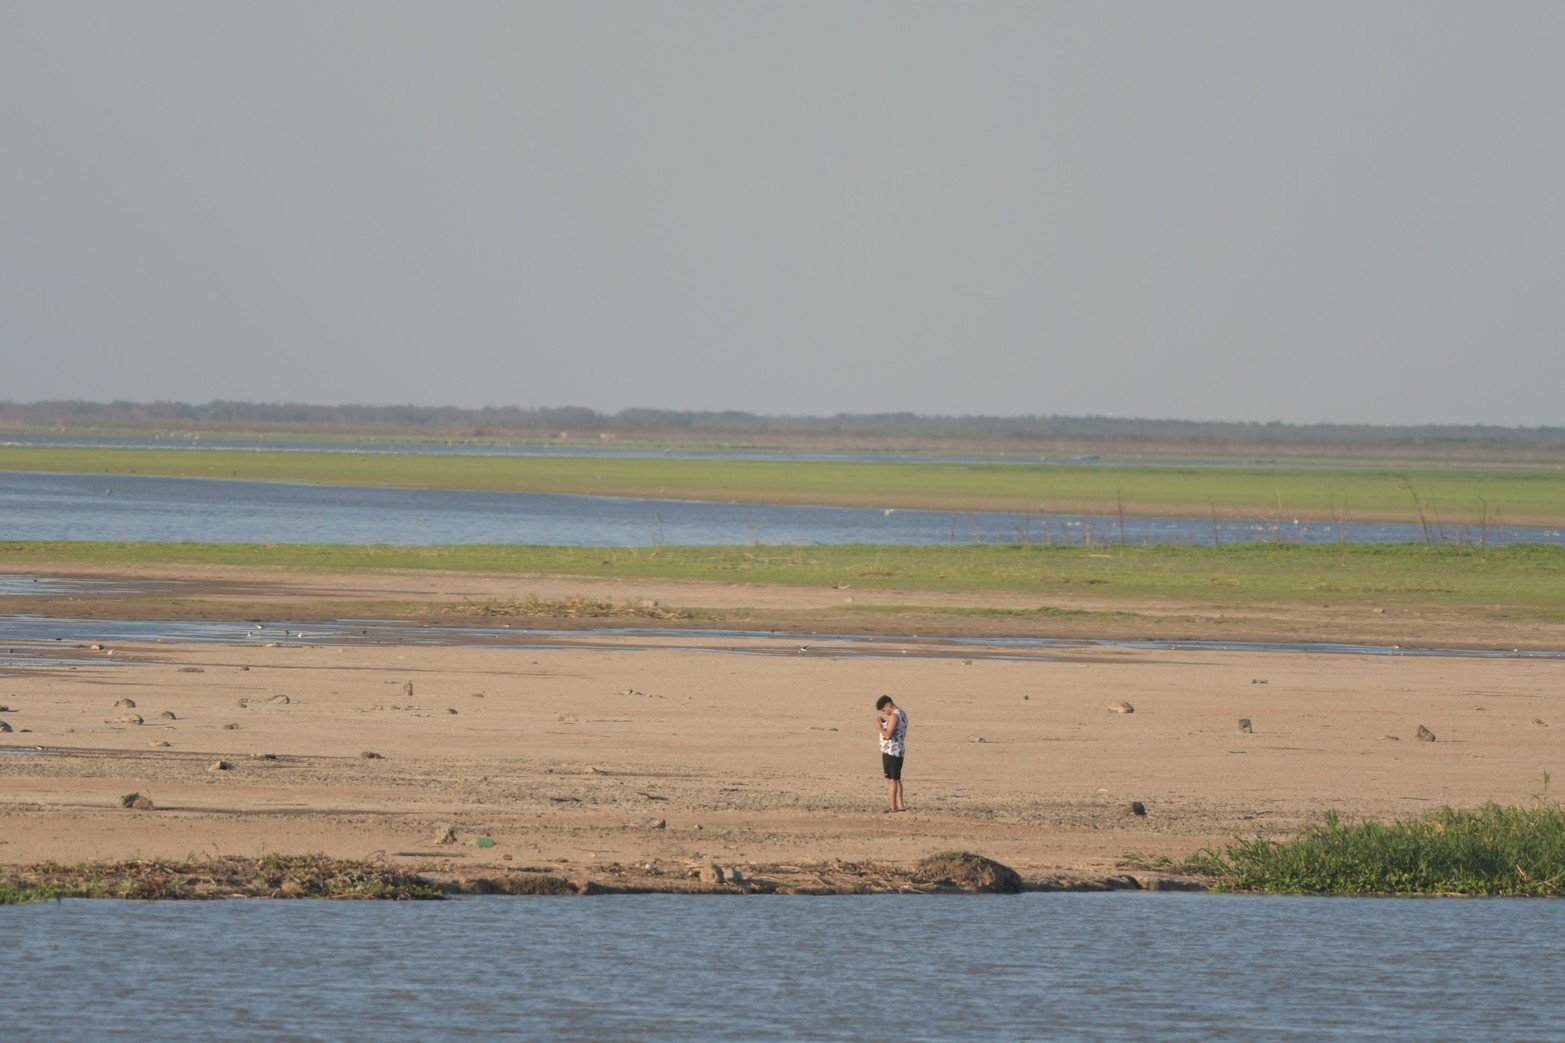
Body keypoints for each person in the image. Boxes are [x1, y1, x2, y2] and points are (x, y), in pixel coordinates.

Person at [875, 694, 908, 813]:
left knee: (892, 780)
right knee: (897, 778)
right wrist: (884, 723)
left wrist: (879, 727)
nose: (885, 712)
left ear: (888, 705)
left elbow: (888, 735)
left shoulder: (894, 716)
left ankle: (892, 807)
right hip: (898, 750)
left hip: (891, 751)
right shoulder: (902, 713)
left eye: (884, 710)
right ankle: (900, 806)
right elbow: (895, 729)